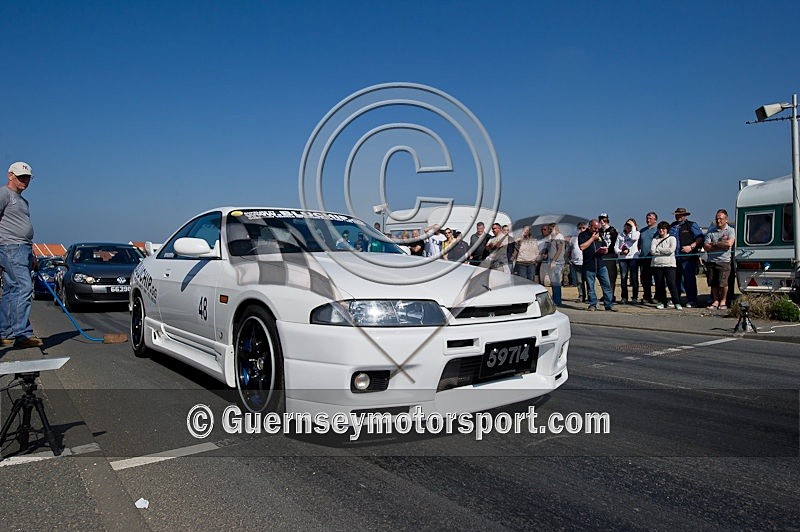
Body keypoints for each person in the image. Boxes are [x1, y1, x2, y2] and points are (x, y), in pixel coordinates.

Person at [0, 162, 43, 347]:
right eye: (20, 177)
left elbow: (22, 228)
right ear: (10, 176)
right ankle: (22, 334)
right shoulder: (4, 194)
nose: (24, 180)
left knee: (11, 290)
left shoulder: (23, 201)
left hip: (23, 248)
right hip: (11, 247)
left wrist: (31, 253)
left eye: (27, 177)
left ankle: (5, 332)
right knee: (24, 287)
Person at [669, 207, 704, 307]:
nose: (679, 216)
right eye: (677, 215)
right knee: (675, 280)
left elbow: (700, 237)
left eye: (681, 215)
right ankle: (676, 299)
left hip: (688, 258)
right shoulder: (672, 226)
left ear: (685, 215)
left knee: (689, 279)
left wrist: (691, 246)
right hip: (674, 257)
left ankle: (692, 300)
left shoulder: (691, 225)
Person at [578, 219, 615, 311]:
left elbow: (605, 245)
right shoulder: (582, 235)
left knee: (606, 285)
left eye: (598, 228)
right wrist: (592, 239)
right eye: (595, 228)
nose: (596, 230)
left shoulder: (600, 234)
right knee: (591, 287)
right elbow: (582, 247)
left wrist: (605, 250)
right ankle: (593, 304)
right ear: (590, 226)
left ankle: (609, 304)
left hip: (600, 264)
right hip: (589, 265)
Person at [703, 209, 736, 310]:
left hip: (724, 261)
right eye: (717, 219)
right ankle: (716, 300)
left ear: (726, 219)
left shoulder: (730, 230)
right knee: (713, 283)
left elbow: (729, 244)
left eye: (720, 219)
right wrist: (720, 245)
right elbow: (706, 246)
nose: (718, 221)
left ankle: (723, 301)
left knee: (723, 283)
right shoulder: (711, 231)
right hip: (711, 261)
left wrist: (714, 244)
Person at [651, 221, 681, 310]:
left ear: (667, 229)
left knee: (671, 284)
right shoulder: (655, 239)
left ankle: (676, 302)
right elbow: (652, 251)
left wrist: (659, 249)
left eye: (663, 229)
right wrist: (663, 250)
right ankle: (661, 302)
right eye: (660, 229)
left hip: (669, 265)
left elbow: (671, 250)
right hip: (657, 265)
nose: (661, 230)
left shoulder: (672, 238)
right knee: (659, 285)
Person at [615, 218, 640, 304]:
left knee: (634, 278)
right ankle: (624, 297)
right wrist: (620, 252)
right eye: (627, 225)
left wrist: (633, 227)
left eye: (630, 225)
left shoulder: (636, 233)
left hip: (633, 258)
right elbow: (616, 247)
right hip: (623, 258)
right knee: (623, 277)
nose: (628, 227)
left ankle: (635, 297)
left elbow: (634, 238)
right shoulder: (620, 235)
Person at [638, 212, 658, 304]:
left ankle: (657, 296)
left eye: (650, 218)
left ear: (655, 220)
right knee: (645, 279)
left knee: (657, 278)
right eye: (647, 218)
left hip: (654, 258)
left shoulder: (658, 230)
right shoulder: (642, 231)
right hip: (644, 258)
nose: (648, 220)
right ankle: (647, 296)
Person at [598, 213, 618, 301]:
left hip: (610, 255)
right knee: (603, 276)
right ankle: (605, 294)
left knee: (611, 276)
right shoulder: (599, 231)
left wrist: (609, 250)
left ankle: (611, 295)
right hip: (602, 255)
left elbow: (615, 242)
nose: (602, 221)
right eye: (600, 219)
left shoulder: (612, 230)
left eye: (604, 219)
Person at [544, 223, 566, 305]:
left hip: (557, 262)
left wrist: (554, 261)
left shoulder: (559, 237)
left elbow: (559, 250)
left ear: (555, 228)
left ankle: (557, 301)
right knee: (553, 282)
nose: (550, 230)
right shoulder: (551, 237)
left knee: (556, 282)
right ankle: (555, 299)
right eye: (549, 229)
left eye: (551, 229)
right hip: (550, 261)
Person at [569, 222, 587, 302]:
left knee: (589, 281)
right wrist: (569, 260)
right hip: (576, 263)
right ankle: (581, 296)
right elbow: (569, 250)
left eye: (583, 228)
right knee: (579, 281)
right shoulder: (573, 239)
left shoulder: (589, 237)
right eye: (579, 228)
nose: (581, 229)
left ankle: (590, 297)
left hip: (586, 262)